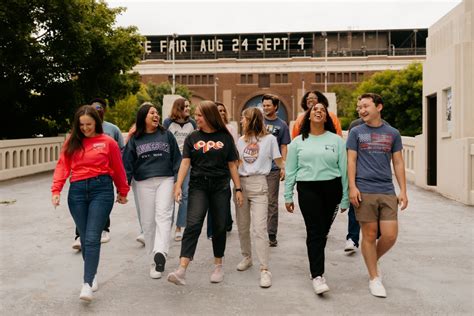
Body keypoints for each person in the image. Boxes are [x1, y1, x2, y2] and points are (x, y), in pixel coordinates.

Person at [51, 105, 129, 302]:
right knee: (85, 237)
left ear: (97, 122)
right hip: (76, 192)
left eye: (89, 124)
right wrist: (56, 190)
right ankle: (92, 273)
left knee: (93, 236)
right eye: (82, 125)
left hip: (101, 189)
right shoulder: (72, 142)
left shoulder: (108, 142)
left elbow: (118, 168)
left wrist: (123, 190)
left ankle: (86, 283)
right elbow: (62, 166)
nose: (85, 128)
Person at [167, 101, 243, 286]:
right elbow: (185, 162)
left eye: (199, 115)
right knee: (193, 224)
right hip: (198, 185)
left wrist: (238, 188)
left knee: (218, 226)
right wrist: (177, 185)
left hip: (220, 186)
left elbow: (232, 164)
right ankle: (182, 269)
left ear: (209, 116)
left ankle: (218, 265)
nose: (196, 118)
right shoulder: (192, 137)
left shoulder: (225, 137)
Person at [346, 93, 408, 298]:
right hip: (364, 189)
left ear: (378, 107)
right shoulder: (355, 132)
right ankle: (374, 278)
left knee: (390, 235)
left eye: (365, 106)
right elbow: (351, 161)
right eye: (359, 107)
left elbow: (398, 162)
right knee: (370, 235)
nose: (361, 110)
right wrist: (352, 187)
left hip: (387, 189)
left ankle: (372, 258)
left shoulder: (393, 133)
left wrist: (403, 191)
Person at [284, 100, 349, 295]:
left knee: (322, 232)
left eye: (322, 110)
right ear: (309, 116)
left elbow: (344, 170)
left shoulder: (337, 140)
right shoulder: (297, 142)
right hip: (308, 189)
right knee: (314, 231)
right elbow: (291, 171)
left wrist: (345, 196)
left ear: (326, 117)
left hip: (332, 188)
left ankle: (316, 264)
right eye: (315, 109)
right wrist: (288, 195)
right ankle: (317, 275)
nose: (319, 111)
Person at [122, 102, 182, 279]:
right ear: (143, 118)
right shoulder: (135, 139)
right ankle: (153, 260)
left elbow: (177, 159)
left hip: (166, 179)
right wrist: (123, 188)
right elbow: (127, 165)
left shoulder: (166, 135)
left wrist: (177, 182)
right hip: (143, 183)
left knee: (163, 216)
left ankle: (160, 254)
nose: (156, 116)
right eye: (151, 113)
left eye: (156, 113)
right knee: (148, 223)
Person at [234, 107, 284, 288]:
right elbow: (237, 163)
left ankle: (264, 269)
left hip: (259, 183)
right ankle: (247, 257)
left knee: (260, 229)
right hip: (241, 185)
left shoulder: (270, 139)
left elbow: (277, 159)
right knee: (242, 225)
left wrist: (286, 168)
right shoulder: (240, 141)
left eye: (244, 118)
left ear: (252, 120)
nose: (241, 121)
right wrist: (237, 188)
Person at [71, 98, 125, 250]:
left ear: (103, 110)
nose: (97, 109)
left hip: (105, 175)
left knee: (100, 203)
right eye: (94, 107)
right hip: (82, 176)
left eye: (99, 107)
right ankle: (79, 235)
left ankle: (104, 229)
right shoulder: (81, 129)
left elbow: (121, 149)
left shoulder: (112, 129)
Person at [163, 98, 197, 242]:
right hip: (170, 163)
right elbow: (163, 141)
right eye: (186, 106)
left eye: (189, 106)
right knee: (169, 195)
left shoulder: (192, 123)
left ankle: (179, 226)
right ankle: (166, 227)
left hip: (187, 162)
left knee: (186, 194)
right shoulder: (168, 123)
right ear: (179, 107)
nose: (189, 108)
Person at [262, 94, 290, 247]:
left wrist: (283, 166)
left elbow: (283, 146)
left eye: (268, 105)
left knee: (272, 202)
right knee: (259, 201)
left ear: (275, 107)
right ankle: (259, 230)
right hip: (258, 168)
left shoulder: (282, 125)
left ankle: (271, 234)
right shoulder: (258, 122)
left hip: (273, 168)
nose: (266, 108)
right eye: (264, 105)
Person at [206, 101, 236, 238]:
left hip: (226, 166)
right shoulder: (208, 128)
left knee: (225, 195)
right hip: (210, 167)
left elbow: (234, 147)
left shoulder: (230, 128)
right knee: (211, 198)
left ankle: (227, 221)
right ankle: (212, 229)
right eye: (219, 110)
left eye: (223, 110)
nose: (222, 113)